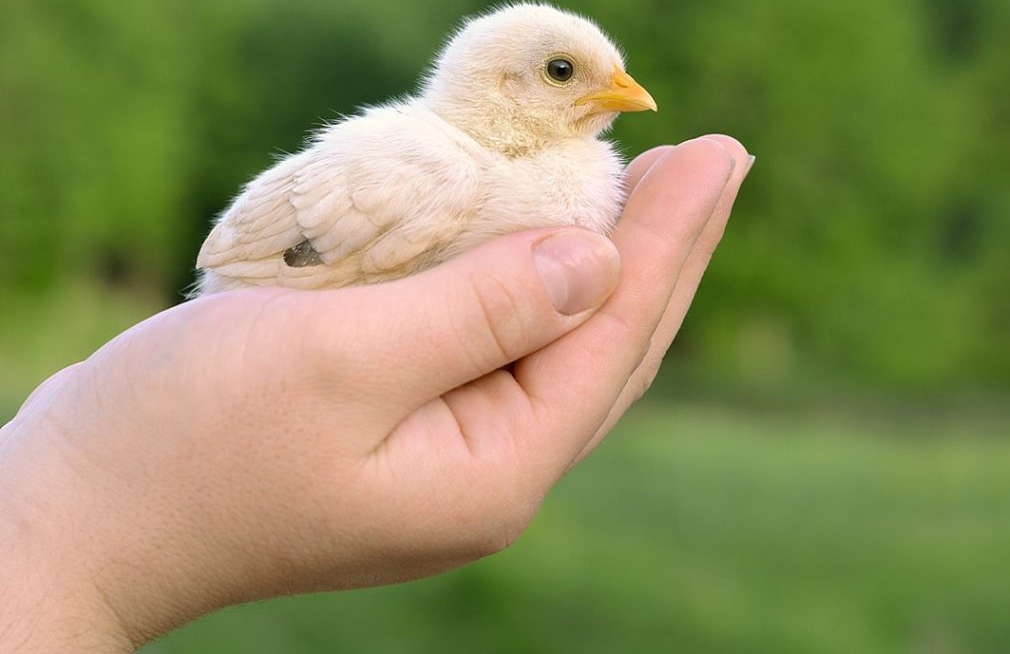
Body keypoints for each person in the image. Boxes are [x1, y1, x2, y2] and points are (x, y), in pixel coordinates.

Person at [0, 136, 750, 652]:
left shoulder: (537, 177)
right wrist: (85, 515)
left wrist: (66, 495)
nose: (620, 93)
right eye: (563, 72)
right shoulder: (435, 168)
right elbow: (242, 249)